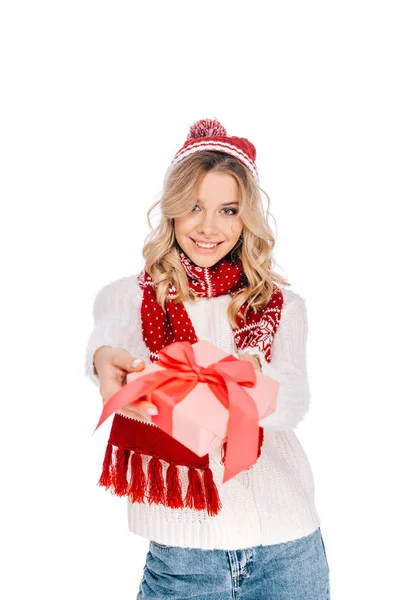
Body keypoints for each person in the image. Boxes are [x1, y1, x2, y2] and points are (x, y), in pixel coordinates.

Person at [85, 118, 331, 599]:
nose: (208, 227)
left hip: (288, 549)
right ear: (172, 209)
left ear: (247, 219)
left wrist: (209, 387)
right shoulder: (133, 298)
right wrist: (103, 361)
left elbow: (292, 402)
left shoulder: (279, 306)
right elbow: (109, 341)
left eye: (228, 209)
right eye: (194, 206)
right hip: (185, 557)